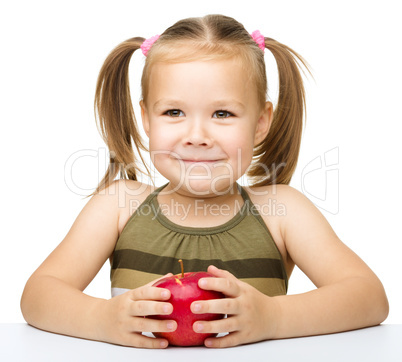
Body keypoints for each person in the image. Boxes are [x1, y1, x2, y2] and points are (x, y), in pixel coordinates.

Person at [20, 14, 389, 349]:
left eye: (223, 113)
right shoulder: (119, 206)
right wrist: (100, 319)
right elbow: (38, 295)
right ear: (146, 119)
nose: (197, 135)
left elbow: (370, 297)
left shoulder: (282, 212)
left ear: (261, 122)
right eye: (173, 112)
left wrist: (274, 317)